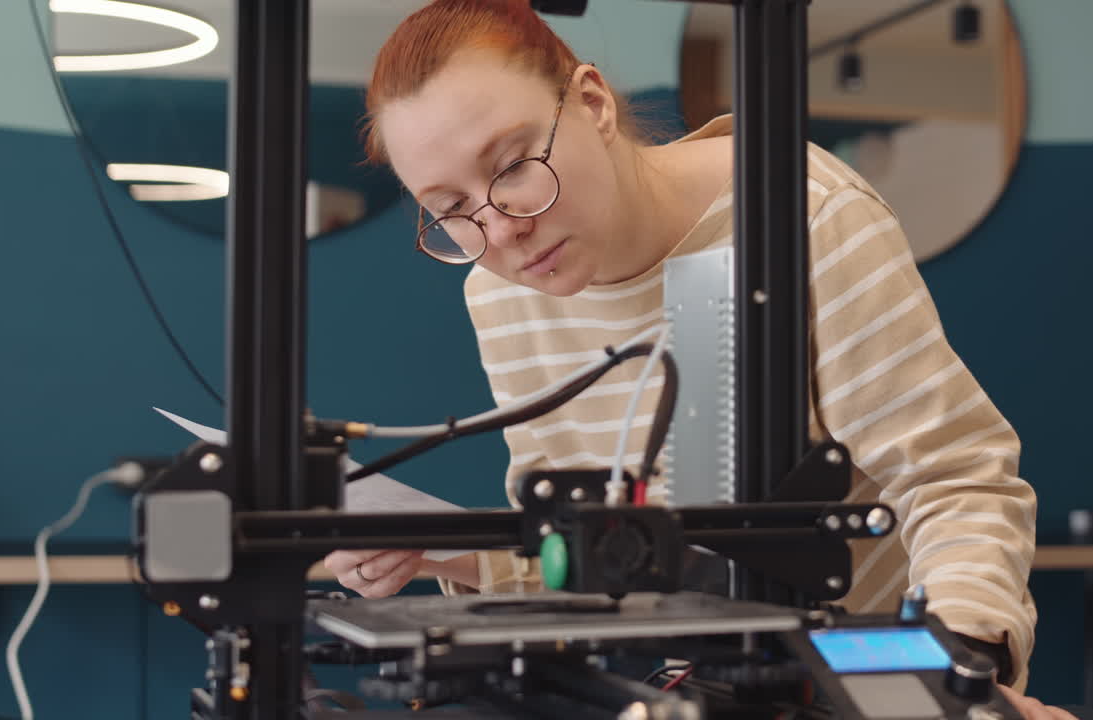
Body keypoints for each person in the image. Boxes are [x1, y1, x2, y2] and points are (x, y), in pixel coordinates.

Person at [325, 0, 1048, 703]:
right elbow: (596, 556)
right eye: (452, 210)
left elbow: (954, 483)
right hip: (686, 674)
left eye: (513, 165)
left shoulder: (799, 213)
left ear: (594, 103)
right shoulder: (500, 291)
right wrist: (433, 550)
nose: (502, 229)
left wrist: (959, 673)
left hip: (868, 670)